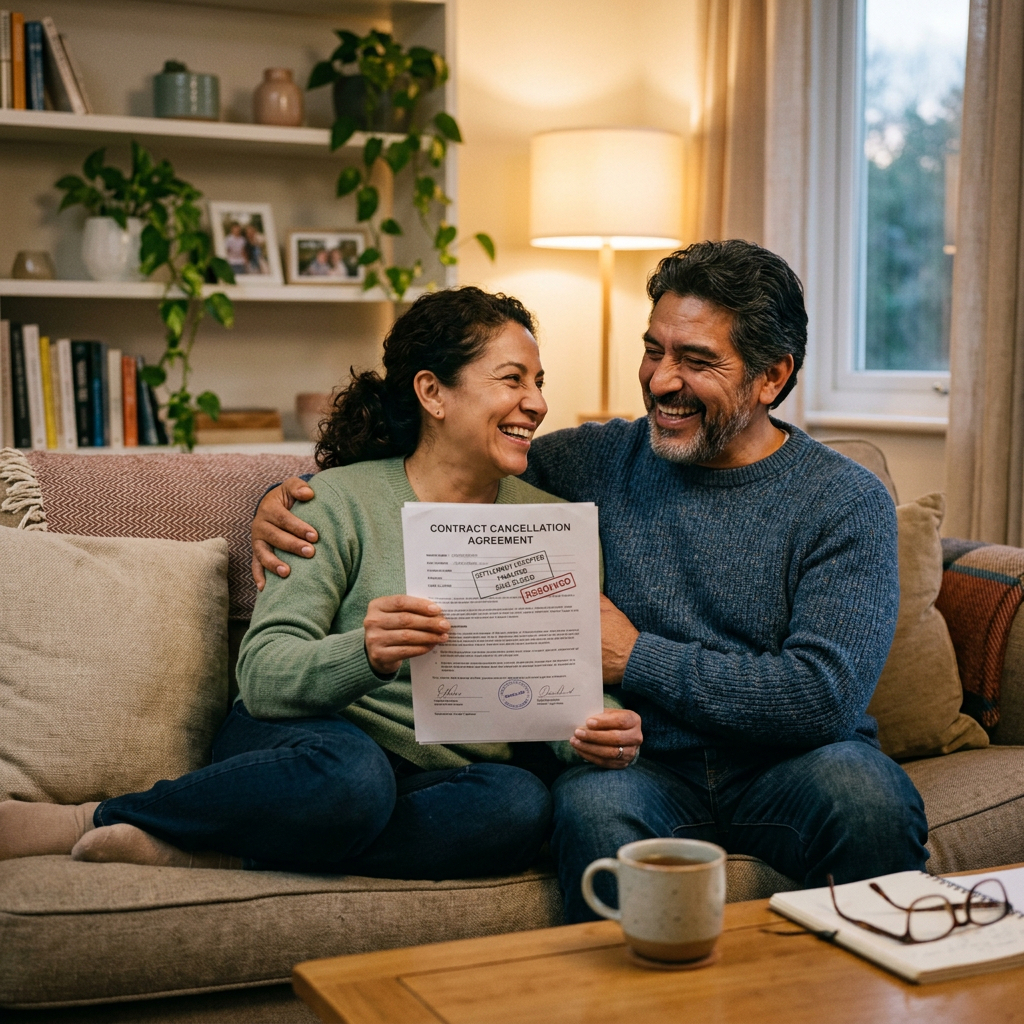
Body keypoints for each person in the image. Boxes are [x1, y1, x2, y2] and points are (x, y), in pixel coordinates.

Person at [252, 241, 929, 921]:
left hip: (796, 766)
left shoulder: (844, 500)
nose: (662, 380)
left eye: (696, 361)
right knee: (588, 811)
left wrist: (638, 657)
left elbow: (823, 697)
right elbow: (448, 460)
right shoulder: (589, 463)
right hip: (636, 772)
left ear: (770, 377)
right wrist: (290, 500)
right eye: (654, 350)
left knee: (869, 798)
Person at [0, 287, 641, 879]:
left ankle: (222, 849)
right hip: (309, 744)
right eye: (512, 379)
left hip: (436, 770)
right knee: (352, 778)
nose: (537, 402)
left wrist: (593, 729)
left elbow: (556, 685)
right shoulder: (331, 503)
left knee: (517, 806)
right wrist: (363, 654)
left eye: (539, 382)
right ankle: (100, 816)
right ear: (433, 393)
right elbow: (264, 675)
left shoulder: (549, 521)